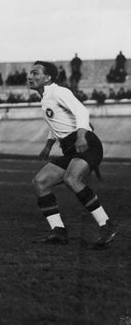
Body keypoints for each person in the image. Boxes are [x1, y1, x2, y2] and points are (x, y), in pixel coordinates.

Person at [27, 60, 117, 247]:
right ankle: (58, 232)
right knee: (39, 182)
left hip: (86, 144)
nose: (30, 76)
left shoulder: (59, 92)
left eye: (35, 73)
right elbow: (58, 124)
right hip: (70, 148)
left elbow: (81, 111)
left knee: (72, 179)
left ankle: (106, 225)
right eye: (31, 73)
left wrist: (82, 135)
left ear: (48, 78)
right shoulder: (45, 98)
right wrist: (49, 144)